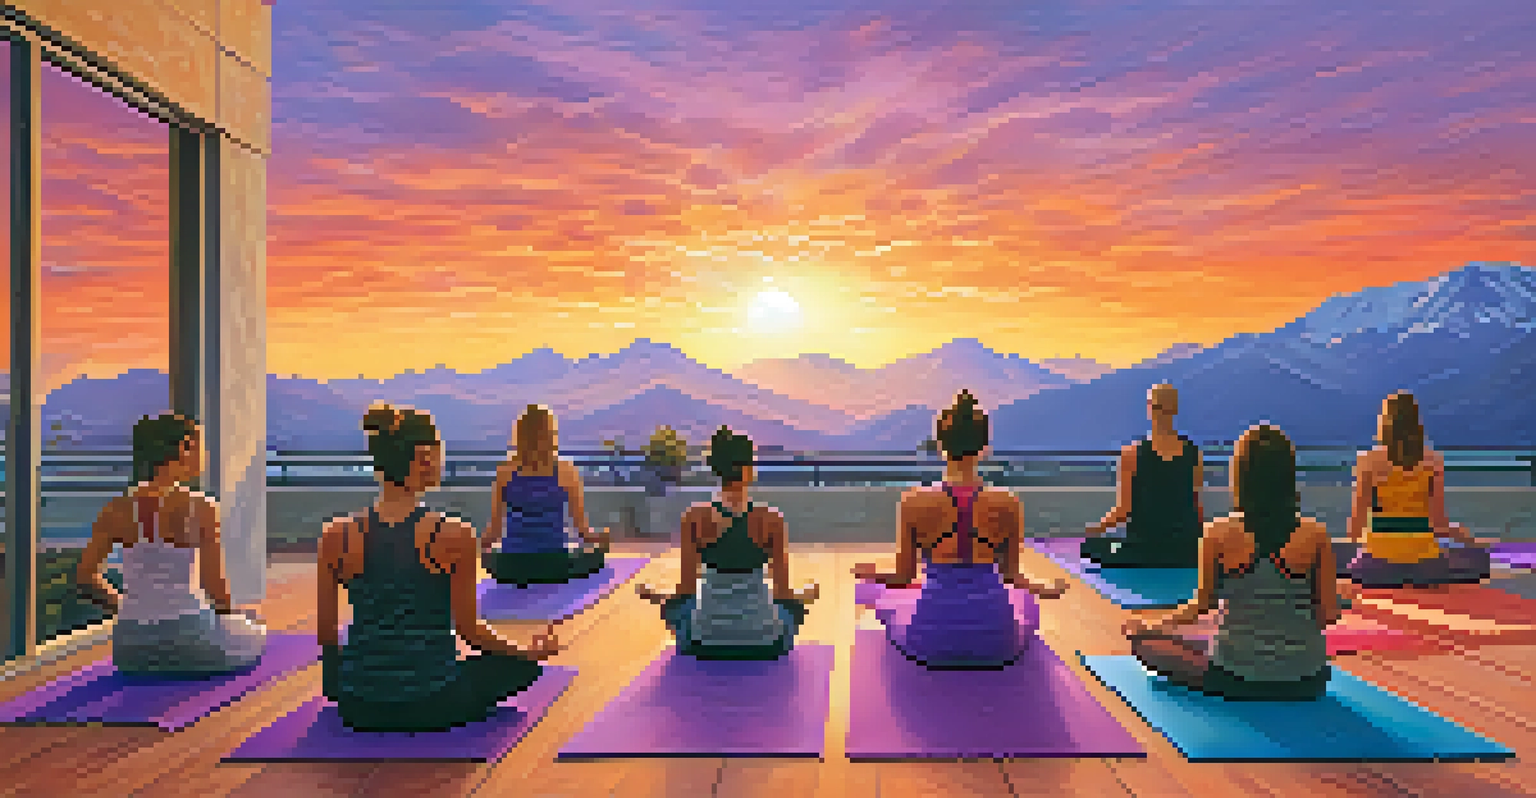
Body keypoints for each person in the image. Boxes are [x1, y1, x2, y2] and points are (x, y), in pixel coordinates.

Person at [318, 403, 561, 731]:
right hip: (434, 700)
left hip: (358, 705)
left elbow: (327, 634)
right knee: (522, 668)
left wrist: (344, 689)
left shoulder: (336, 535)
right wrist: (526, 651)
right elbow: (470, 632)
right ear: (423, 458)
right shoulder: (455, 535)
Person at [853, 390, 1067, 668]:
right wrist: (1045, 588)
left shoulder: (914, 501)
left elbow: (903, 576)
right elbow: (1012, 576)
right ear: (984, 446)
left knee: (883, 600)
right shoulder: (1008, 503)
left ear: (940, 444)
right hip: (997, 642)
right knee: (1027, 603)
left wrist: (872, 574)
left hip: (930, 640)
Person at [1122, 424, 1337, 700]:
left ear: (1241, 476)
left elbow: (1202, 606)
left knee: (1145, 645)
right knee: (1204, 637)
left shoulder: (1217, 532)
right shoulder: (1316, 535)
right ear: (1288, 476)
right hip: (1306, 678)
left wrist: (1151, 625)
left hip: (1234, 674)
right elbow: (1328, 615)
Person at [76, 413, 267, 674]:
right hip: (191, 639)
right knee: (256, 632)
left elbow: (86, 577)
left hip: (131, 649)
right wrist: (233, 620)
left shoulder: (115, 509)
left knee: (244, 626)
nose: (205, 454)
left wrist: (130, 607)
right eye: (201, 446)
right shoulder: (201, 507)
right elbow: (214, 588)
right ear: (184, 447)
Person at [635, 426, 818, 659]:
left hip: (704, 640)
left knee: (677, 607)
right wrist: (799, 599)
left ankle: (662, 597)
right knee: (791, 608)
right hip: (765, 640)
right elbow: (782, 593)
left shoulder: (694, 518)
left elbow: (686, 591)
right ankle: (804, 596)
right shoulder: (772, 520)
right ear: (747, 470)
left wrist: (663, 599)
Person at [1344, 391, 1492, 588]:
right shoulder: (1433, 461)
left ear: (1384, 423)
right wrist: (1471, 540)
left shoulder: (1368, 461)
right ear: (1417, 424)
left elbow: (1356, 523)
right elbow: (1439, 524)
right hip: (1426, 563)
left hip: (1378, 561)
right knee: (1468, 562)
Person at [482, 404, 610, 586]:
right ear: (551, 435)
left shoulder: (505, 470)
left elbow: (493, 533)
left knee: (490, 559)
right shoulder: (566, 471)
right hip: (555, 564)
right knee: (594, 558)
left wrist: (477, 548)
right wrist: (600, 541)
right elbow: (583, 532)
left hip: (511, 566)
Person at [1082, 383, 1205, 568]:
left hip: (1143, 550)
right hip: (1185, 550)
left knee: (1089, 546)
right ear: (1175, 409)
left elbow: (1123, 512)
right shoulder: (1194, 453)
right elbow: (1196, 508)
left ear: (1150, 409)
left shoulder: (1131, 454)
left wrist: (1092, 530)